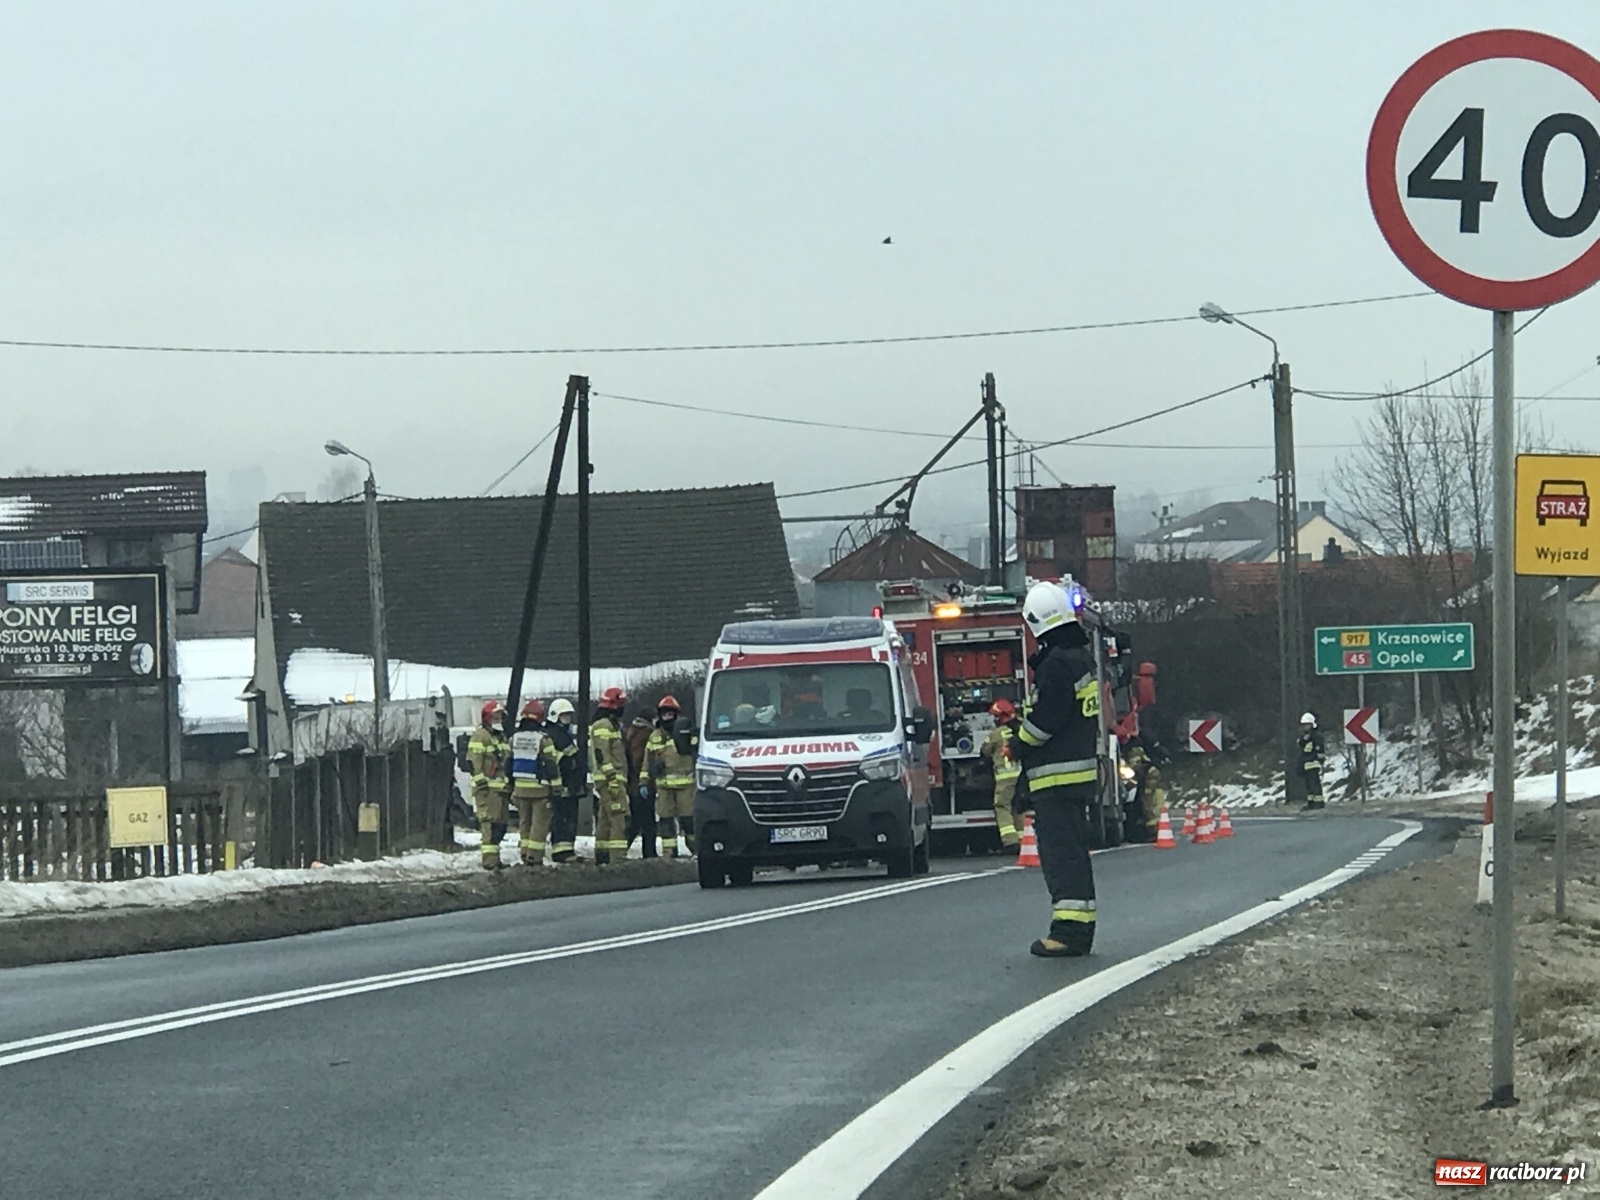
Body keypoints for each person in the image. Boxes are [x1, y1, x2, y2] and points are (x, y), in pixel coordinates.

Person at [1014, 581, 1101, 957]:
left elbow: (1046, 720)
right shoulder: (1080, 659)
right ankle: (1076, 929)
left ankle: (1068, 934)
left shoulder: (1056, 665)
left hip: (1057, 780)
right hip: (1075, 776)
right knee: (1073, 855)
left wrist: (1017, 741)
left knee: (1062, 857)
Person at [509, 699, 561, 866]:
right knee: (539, 824)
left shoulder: (514, 738)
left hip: (520, 790)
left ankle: (525, 853)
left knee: (525, 823)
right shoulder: (543, 739)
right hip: (540, 790)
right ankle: (534, 858)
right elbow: (551, 764)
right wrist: (557, 787)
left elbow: (508, 764)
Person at [645, 695, 698, 858]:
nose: (667, 717)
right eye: (664, 714)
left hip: (686, 786)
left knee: (689, 822)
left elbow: (697, 753)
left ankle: (697, 851)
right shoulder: (654, 736)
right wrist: (644, 781)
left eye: (670, 714)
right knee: (666, 822)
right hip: (663, 787)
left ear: (676, 714)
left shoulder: (686, 732)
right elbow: (646, 761)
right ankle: (669, 855)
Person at [467, 700, 511, 871]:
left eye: (500, 716)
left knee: (500, 825)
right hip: (487, 790)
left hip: (501, 790)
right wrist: (481, 782)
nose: (499, 719)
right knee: (489, 825)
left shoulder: (501, 737)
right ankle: (489, 861)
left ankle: (495, 859)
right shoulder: (480, 736)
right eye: (496, 716)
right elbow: (473, 761)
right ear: (487, 717)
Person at [590, 687, 631, 865]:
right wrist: (612, 777)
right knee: (618, 816)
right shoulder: (603, 726)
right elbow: (602, 754)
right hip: (610, 779)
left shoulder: (609, 725)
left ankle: (603, 856)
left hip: (608, 779)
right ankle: (618, 859)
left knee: (606, 818)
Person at [980, 699, 1022, 850]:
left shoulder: (996, 734)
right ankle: (1023, 838)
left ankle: (1010, 841)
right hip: (1021, 776)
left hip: (1005, 779)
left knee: (1002, 806)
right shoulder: (1020, 729)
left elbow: (984, 750)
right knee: (1018, 807)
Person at [544, 699, 581, 863]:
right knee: (561, 819)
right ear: (555, 716)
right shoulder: (554, 734)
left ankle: (567, 850)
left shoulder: (563, 734)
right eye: (564, 715)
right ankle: (561, 852)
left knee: (568, 819)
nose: (567, 718)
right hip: (561, 785)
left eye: (568, 715)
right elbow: (555, 758)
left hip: (568, 785)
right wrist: (569, 763)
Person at [624, 708, 659, 858]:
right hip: (641, 783)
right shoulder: (646, 733)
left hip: (632, 783)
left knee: (637, 821)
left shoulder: (631, 731)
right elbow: (639, 759)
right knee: (647, 822)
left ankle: (621, 849)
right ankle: (649, 853)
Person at [1123, 741, 1167, 843]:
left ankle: (1151, 830)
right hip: (1149, 775)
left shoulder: (1134, 751)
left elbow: (1136, 767)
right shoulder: (1138, 748)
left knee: (1147, 801)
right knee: (1150, 800)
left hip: (1149, 776)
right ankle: (1153, 828)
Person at [1297, 712, 1326, 810]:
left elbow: (1320, 751)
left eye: (1307, 724)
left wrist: (1320, 761)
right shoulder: (1304, 738)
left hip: (1313, 764)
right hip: (1306, 765)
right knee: (1308, 786)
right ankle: (1311, 803)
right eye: (1304, 725)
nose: (1305, 727)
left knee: (1315, 784)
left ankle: (1319, 802)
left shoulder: (1316, 737)